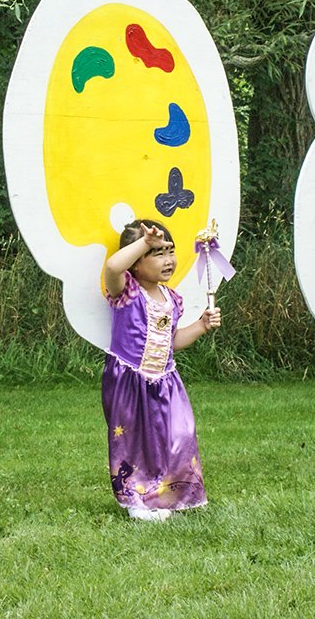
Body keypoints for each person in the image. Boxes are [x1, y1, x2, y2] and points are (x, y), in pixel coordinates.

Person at [101, 219, 220, 520]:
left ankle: (176, 493)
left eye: (170, 251)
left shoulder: (172, 299)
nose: (168, 260)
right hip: (130, 382)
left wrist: (202, 325)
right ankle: (136, 500)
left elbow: (173, 341)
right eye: (157, 253)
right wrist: (143, 242)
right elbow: (113, 268)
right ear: (136, 263)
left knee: (180, 433)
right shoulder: (126, 291)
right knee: (136, 441)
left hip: (166, 381)